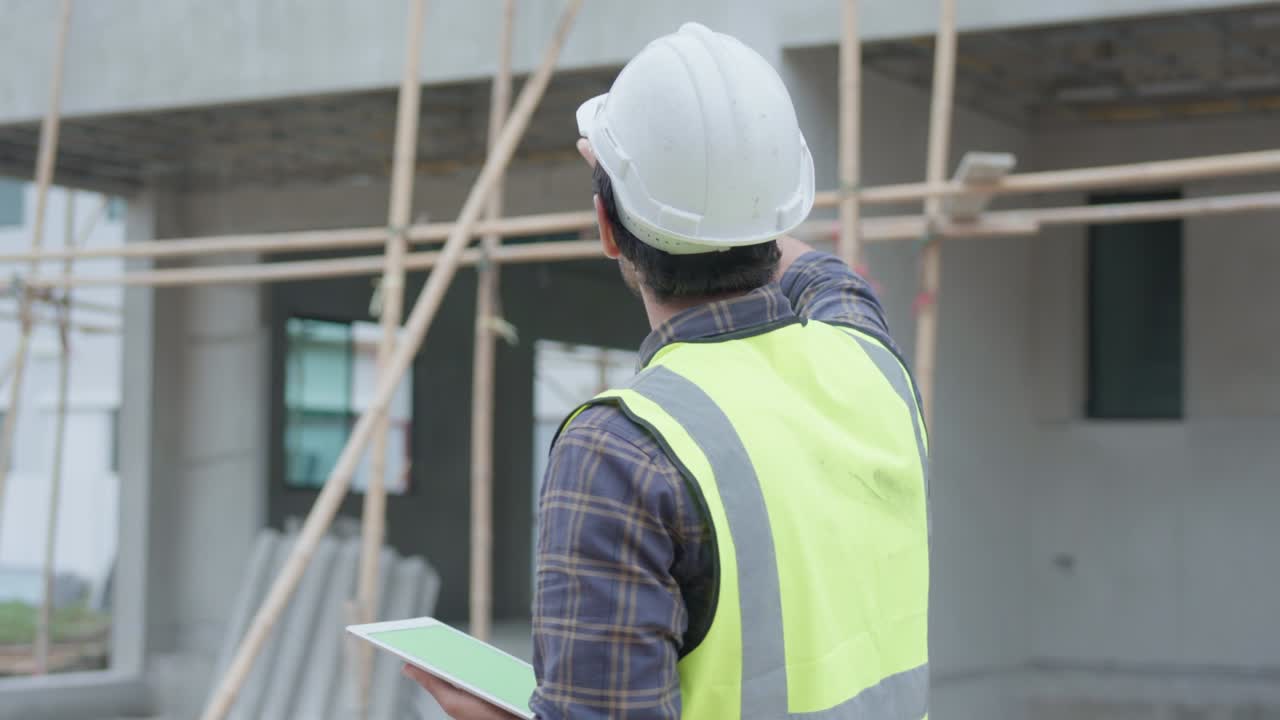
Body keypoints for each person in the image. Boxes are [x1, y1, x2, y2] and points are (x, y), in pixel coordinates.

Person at [407, 22, 930, 720]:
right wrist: (718, 176)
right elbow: (819, 271)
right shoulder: (867, 357)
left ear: (606, 228)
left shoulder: (621, 452)